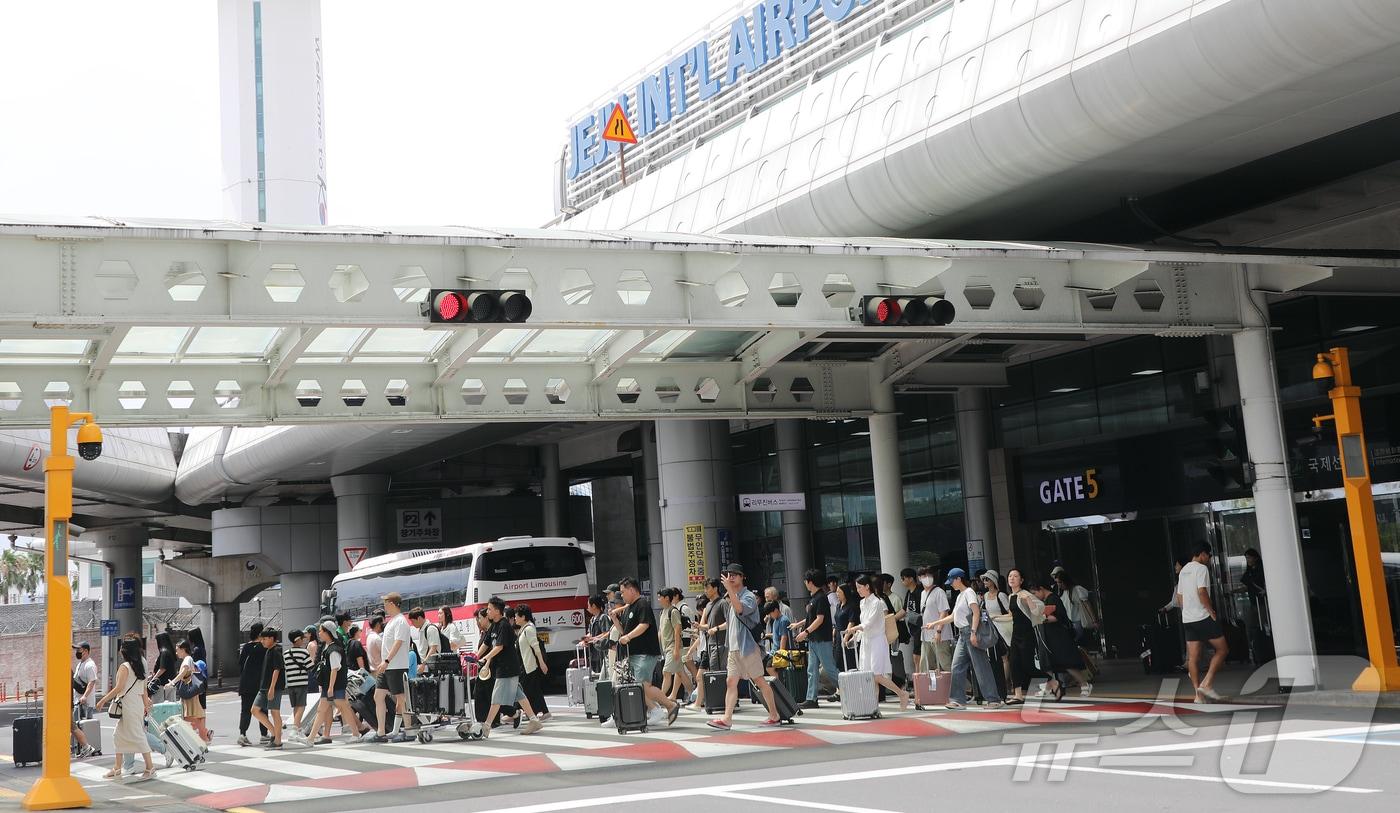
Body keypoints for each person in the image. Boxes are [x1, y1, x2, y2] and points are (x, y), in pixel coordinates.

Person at [706, 564, 779, 731]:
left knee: (759, 680)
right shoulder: (731, 597)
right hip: (734, 648)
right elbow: (731, 622)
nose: (731, 578)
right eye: (729, 574)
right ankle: (727, 719)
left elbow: (740, 609)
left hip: (748, 647)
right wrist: (717, 628)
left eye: (735, 575)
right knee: (731, 681)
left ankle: (774, 715)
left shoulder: (748, 597)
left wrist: (729, 591)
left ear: (742, 577)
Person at [930, 568, 1003, 710]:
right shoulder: (960, 595)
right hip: (963, 635)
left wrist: (974, 632)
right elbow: (954, 617)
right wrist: (934, 624)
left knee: (981, 667)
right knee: (957, 666)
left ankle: (993, 699)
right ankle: (957, 699)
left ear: (958, 579)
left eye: (952, 581)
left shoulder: (969, 593)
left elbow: (976, 613)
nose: (950, 584)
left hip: (969, 632)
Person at [613, 577, 681, 725]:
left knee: (642, 685)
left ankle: (667, 706)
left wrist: (629, 637)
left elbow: (644, 625)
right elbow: (624, 632)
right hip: (634, 654)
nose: (622, 595)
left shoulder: (642, 604)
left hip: (645, 653)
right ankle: (656, 708)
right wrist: (616, 621)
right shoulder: (628, 608)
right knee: (636, 685)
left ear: (632, 590)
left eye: (623, 592)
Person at [840, 575, 910, 709]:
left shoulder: (877, 603)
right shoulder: (862, 603)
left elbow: (869, 623)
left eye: (860, 587)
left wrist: (853, 629)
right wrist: (856, 637)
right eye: (857, 588)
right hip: (867, 642)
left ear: (867, 586)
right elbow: (864, 624)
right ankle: (874, 706)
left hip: (877, 641)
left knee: (876, 676)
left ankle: (901, 693)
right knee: (870, 677)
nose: (858, 590)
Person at [479, 596, 544, 737]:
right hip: (504, 667)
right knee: (519, 695)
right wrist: (475, 656)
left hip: (507, 668)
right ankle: (534, 720)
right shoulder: (494, 625)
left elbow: (499, 647)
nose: (487, 612)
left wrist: (485, 658)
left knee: (496, 698)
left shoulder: (503, 625)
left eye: (489, 609)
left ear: (497, 611)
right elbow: (486, 643)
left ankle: (486, 726)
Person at [95, 636, 155, 780]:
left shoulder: (125, 667)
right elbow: (144, 688)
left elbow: (118, 688)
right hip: (136, 705)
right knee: (118, 735)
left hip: (129, 706)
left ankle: (150, 767)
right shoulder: (141, 665)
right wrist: (146, 705)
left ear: (125, 651)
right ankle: (117, 768)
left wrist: (102, 700)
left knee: (138, 736)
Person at [1177, 543, 1228, 701]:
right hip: (1203, 617)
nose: (1209, 558)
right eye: (1209, 555)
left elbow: (1180, 598)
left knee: (1193, 658)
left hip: (1188, 619)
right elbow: (1202, 591)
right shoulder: (1201, 569)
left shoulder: (1184, 570)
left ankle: (1198, 695)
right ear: (1202, 554)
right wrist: (1211, 611)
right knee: (1223, 650)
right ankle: (1207, 683)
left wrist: (1188, 610)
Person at [1028, 578, 1093, 698]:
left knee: (1067, 663)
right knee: (1047, 663)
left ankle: (1084, 684)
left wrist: (1041, 618)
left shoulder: (1053, 599)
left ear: (1041, 589)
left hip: (1059, 637)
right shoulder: (1047, 600)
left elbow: (1057, 617)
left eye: (1035, 593)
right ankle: (1049, 687)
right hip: (1050, 637)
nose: (1035, 597)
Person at [367, 592, 413, 743]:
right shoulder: (392, 621)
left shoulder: (401, 621)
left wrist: (386, 660)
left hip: (396, 666)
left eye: (386, 603)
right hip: (387, 666)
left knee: (401, 698)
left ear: (392, 604)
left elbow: (398, 642)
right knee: (378, 696)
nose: (384, 606)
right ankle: (381, 732)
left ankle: (409, 730)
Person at [793, 568, 837, 709]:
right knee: (812, 670)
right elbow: (811, 618)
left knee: (829, 669)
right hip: (815, 639)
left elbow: (819, 619)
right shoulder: (815, 598)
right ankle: (811, 698)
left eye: (806, 581)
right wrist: (799, 624)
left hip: (822, 639)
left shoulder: (821, 598)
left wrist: (804, 632)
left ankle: (850, 689)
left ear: (810, 582)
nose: (805, 583)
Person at [312, 621, 362, 744]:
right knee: (324, 709)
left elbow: (335, 669)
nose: (319, 633)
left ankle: (356, 734)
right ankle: (310, 738)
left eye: (321, 631)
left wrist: (330, 687)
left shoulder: (333, 649)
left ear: (328, 632)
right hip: (330, 685)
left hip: (334, 685)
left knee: (343, 708)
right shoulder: (328, 647)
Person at [1001, 569, 1042, 705]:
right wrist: (995, 617)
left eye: (1016, 576)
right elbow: (1012, 615)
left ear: (1021, 580)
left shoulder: (1025, 594)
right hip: (1016, 634)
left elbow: (1037, 611)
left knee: (1027, 665)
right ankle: (1018, 695)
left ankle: (1052, 681)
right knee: (1014, 663)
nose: (1012, 578)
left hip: (1027, 634)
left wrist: (1029, 600)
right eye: (1010, 576)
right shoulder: (1010, 596)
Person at [246, 628, 285, 749]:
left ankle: (277, 740)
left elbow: (277, 669)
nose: (262, 641)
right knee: (254, 710)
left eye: (264, 639)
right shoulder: (269, 650)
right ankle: (274, 732)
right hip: (264, 687)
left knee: (274, 712)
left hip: (273, 687)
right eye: (261, 638)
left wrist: (272, 688)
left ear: (271, 638)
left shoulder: (276, 650)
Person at [513, 604, 552, 721]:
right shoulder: (523, 629)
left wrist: (542, 663)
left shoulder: (529, 629)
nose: (515, 618)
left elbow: (536, 647)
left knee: (524, 690)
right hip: (525, 665)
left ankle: (517, 713)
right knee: (534, 690)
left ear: (523, 616)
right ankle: (543, 712)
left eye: (516, 616)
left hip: (528, 666)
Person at [979, 570, 1011, 702]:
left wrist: (996, 617)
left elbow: (1010, 613)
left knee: (1004, 658)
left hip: (1003, 629)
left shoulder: (1001, 595)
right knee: (996, 658)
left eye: (987, 579)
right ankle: (1003, 684)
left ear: (994, 581)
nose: (985, 582)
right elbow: (984, 613)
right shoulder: (985, 596)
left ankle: (1006, 683)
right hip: (991, 631)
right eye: (984, 580)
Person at [657, 588, 693, 702]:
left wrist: (676, 649)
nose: (658, 599)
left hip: (673, 647)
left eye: (660, 597)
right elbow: (661, 631)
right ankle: (693, 694)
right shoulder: (662, 612)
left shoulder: (673, 611)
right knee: (680, 673)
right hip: (667, 648)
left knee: (666, 672)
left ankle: (661, 698)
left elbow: (677, 630)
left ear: (667, 598)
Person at [173, 639, 211, 742]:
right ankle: (204, 735)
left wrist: (172, 682)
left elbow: (182, 673)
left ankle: (205, 734)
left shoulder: (187, 659)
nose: (176, 653)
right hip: (189, 692)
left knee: (187, 716)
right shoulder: (188, 659)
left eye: (177, 650)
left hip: (188, 692)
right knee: (190, 716)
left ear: (183, 649)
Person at [237, 623, 269, 746]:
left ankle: (242, 734)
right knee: (262, 709)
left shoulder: (246, 647)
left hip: (246, 683)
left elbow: (240, 665)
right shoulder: (264, 648)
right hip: (260, 683)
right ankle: (264, 734)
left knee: (245, 710)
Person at [917, 567, 953, 672]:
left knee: (945, 664)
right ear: (919, 578)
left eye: (929, 575)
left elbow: (944, 612)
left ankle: (962, 687)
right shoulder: (923, 593)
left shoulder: (939, 592)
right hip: (926, 635)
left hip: (940, 635)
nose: (927, 578)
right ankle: (929, 688)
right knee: (925, 665)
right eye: (924, 576)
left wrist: (938, 631)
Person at [1055, 570, 1098, 648]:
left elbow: (1087, 605)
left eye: (1060, 582)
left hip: (1079, 621)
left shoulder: (1077, 589)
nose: (1059, 585)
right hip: (1070, 622)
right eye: (1057, 582)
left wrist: (1094, 620)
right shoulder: (1063, 593)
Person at [284, 629, 313, 730]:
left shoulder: (286, 653)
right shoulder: (304, 652)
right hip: (301, 683)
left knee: (296, 706)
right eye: (302, 639)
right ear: (297, 640)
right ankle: (295, 728)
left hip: (291, 684)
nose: (303, 641)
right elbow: (310, 667)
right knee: (301, 706)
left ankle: (298, 727)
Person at [899, 568, 921, 678]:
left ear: (911, 579)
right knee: (916, 655)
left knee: (917, 655)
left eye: (903, 578)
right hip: (913, 628)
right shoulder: (909, 593)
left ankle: (919, 680)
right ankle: (918, 680)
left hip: (921, 627)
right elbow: (904, 610)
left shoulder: (920, 591)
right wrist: (891, 619)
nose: (902, 581)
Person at [580, 595, 611, 674]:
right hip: (594, 653)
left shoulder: (603, 617)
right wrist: (586, 639)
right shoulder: (592, 619)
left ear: (593, 606)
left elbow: (607, 633)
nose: (587, 608)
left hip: (602, 653)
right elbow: (590, 633)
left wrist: (593, 638)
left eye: (588, 605)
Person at [833, 583, 859, 674]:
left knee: (849, 663)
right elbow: (836, 621)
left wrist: (846, 637)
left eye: (839, 592)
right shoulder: (838, 606)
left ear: (845, 593)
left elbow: (851, 622)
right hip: (838, 637)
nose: (837, 594)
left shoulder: (851, 606)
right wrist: (833, 634)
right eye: (836, 592)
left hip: (847, 638)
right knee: (838, 662)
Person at [762, 600, 791, 679]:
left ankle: (780, 685)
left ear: (776, 610)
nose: (770, 616)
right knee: (766, 666)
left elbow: (783, 637)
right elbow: (777, 634)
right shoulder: (776, 621)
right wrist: (768, 635)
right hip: (774, 651)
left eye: (771, 613)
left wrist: (781, 653)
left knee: (769, 667)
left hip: (779, 651)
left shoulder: (783, 620)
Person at [73, 642, 98, 720]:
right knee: (78, 726)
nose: (77, 652)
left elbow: (92, 682)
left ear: (86, 651)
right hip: (78, 701)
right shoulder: (80, 664)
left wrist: (84, 696)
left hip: (86, 703)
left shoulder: (90, 665)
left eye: (79, 650)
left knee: (86, 727)